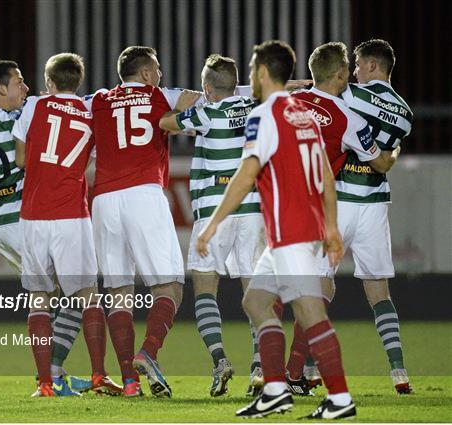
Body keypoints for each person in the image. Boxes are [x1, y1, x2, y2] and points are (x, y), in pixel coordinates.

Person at [196, 40, 356, 419]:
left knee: (311, 313)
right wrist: (330, 228)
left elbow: (246, 174)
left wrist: (211, 226)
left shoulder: (265, 115)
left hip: (291, 233)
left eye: (252, 70)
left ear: (263, 74)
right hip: (298, 231)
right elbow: (326, 178)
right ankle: (274, 391)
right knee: (254, 302)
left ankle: (340, 398)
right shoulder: (303, 114)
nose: (250, 77)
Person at [0, 60, 107, 396]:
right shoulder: (21, 115)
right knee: (75, 293)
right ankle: (54, 374)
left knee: (49, 295)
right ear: (2, 89)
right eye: (18, 82)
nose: (27, 89)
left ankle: (51, 376)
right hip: (24, 214)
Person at [284, 42, 402, 394]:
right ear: (340, 74)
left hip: (280, 201)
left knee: (273, 291)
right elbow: (378, 162)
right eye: (347, 68)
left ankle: (279, 371)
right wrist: (393, 151)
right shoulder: (346, 117)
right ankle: (291, 372)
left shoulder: (285, 103)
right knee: (314, 289)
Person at [90, 46, 204, 398]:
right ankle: (149, 352)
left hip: (104, 200)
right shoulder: (160, 96)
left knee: (119, 291)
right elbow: (216, 94)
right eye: (156, 68)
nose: (160, 74)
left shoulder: (98, 100)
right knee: (170, 286)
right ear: (144, 74)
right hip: (143, 194)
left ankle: (129, 383)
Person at [159, 54, 268, 397]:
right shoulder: (254, 105)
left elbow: (166, 123)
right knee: (256, 293)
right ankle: (261, 364)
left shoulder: (207, 112)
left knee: (205, 289)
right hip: (253, 209)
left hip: (214, 210)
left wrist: (196, 100)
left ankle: (220, 360)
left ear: (207, 87)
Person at [12, 53, 119, 397]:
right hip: (72, 214)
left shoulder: (34, 107)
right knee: (88, 294)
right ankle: (100, 375)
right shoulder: (90, 116)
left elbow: (20, 159)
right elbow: (90, 161)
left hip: (34, 215)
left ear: (49, 82)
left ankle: (45, 383)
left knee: (39, 298)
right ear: (78, 82)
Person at [321, 39, 413, 394]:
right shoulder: (405, 114)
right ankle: (399, 371)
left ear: (373, 66)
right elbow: (386, 155)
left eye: (358, 65)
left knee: (318, 283)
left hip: (341, 197)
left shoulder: (350, 95)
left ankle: (309, 369)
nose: (354, 71)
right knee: (378, 289)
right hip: (374, 203)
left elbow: (324, 102)